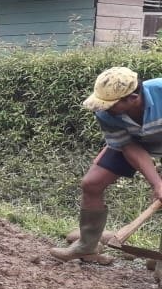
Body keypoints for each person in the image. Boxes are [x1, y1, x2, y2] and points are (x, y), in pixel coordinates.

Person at [50, 67, 162, 270]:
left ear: (133, 98)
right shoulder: (105, 112)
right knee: (91, 183)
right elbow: (129, 147)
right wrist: (157, 183)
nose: (103, 108)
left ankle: (158, 260)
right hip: (134, 142)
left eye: (110, 105)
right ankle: (87, 246)